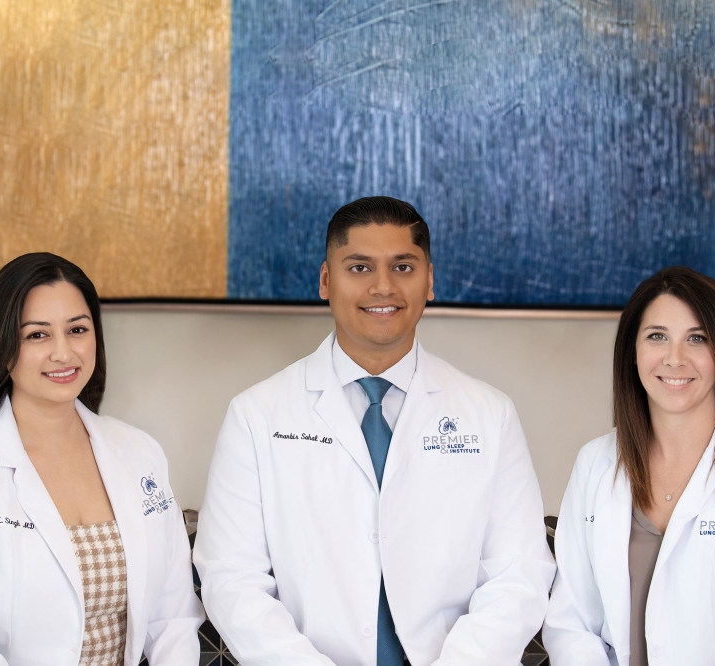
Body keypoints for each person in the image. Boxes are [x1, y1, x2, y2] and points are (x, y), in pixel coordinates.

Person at [194, 196, 555, 665]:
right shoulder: (256, 416)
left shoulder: (491, 415)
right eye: (359, 267)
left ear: (429, 281)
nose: (383, 286)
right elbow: (232, 579)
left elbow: (518, 575)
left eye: (403, 267)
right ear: (326, 281)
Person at [0, 253, 204, 665]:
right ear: (2, 347)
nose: (63, 353)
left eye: (77, 330)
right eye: (37, 335)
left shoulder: (140, 452)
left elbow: (172, 619)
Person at [542, 266, 715, 665]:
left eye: (697, 338)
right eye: (657, 336)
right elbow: (571, 622)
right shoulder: (595, 463)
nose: (675, 358)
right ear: (633, 352)